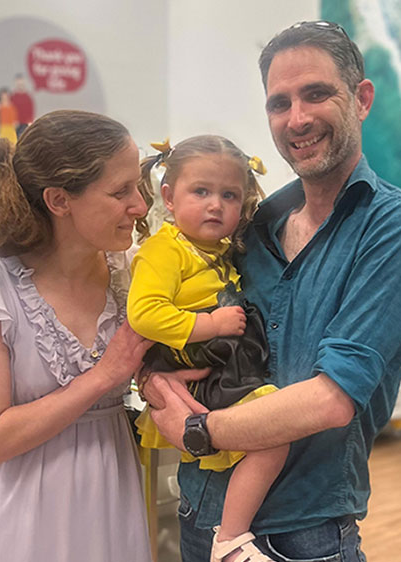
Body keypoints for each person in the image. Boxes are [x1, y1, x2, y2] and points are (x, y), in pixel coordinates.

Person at [143, 20, 401, 562]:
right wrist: (154, 373)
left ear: (362, 99)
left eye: (316, 94)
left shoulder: (397, 227)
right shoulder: (252, 224)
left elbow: (330, 400)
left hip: (301, 536)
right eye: (280, 103)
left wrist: (197, 431)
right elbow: (184, 319)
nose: (297, 119)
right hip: (198, 512)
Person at [0, 109, 153, 561]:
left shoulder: (134, 275)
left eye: (137, 186)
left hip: (108, 501)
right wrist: (103, 375)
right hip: (15, 518)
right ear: (59, 200)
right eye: (120, 192)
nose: (140, 205)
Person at [128, 135, 288, 562]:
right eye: (201, 191)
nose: (215, 205)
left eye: (229, 195)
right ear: (169, 197)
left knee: (266, 440)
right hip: (203, 369)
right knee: (275, 434)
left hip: (222, 366)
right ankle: (230, 539)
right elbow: (143, 314)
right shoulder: (163, 250)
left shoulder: (217, 250)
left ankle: (229, 532)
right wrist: (210, 324)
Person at [10, 73, 35, 138]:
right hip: (16, 124)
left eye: (21, 83)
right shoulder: (13, 97)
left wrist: (30, 121)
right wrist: (13, 121)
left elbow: (31, 110)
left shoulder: (28, 97)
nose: (20, 85)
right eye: (18, 83)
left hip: (26, 123)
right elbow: (11, 110)